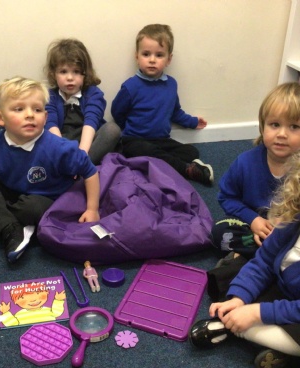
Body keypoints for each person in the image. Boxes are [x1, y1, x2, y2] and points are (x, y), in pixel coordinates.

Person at [0, 76, 100, 263]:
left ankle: (0, 220)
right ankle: (9, 225)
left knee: (32, 208)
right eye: (19, 109)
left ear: (45, 117)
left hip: (46, 199)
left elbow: (90, 172)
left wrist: (92, 209)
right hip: (13, 192)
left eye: (37, 109)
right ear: (0, 118)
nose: (30, 115)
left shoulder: (58, 148)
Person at [189, 152, 300, 368]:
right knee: (232, 276)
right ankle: (255, 331)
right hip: (287, 288)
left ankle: (238, 329)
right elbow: (264, 261)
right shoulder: (292, 221)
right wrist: (239, 298)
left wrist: (257, 313)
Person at [209, 83, 300, 291]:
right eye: (275, 124)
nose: (282, 134)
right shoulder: (245, 162)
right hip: (254, 228)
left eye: (294, 127)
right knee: (219, 232)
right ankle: (269, 263)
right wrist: (253, 220)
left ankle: (247, 262)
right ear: (262, 126)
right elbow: (226, 198)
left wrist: (286, 227)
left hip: (289, 233)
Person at [111, 23, 213, 186]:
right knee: (141, 150)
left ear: (168, 59)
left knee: (191, 151)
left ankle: (157, 164)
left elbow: (175, 111)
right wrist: (127, 129)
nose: (152, 60)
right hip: (135, 140)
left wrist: (192, 121)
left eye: (159, 55)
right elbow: (117, 112)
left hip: (161, 140)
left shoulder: (171, 85)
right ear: (137, 57)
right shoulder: (130, 86)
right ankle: (187, 170)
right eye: (146, 54)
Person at [44, 38, 121, 165]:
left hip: (88, 147)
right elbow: (51, 124)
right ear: (53, 74)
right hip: (62, 146)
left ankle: (81, 168)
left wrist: (81, 156)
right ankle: (69, 167)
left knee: (112, 130)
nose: (70, 78)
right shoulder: (50, 96)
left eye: (76, 72)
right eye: (63, 72)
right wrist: (63, 153)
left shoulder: (93, 94)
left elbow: (91, 121)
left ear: (85, 73)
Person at [0, 285, 66, 327]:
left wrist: (58, 300)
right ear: (16, 302)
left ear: (46, 294)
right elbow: (12, 324)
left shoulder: (47, 310)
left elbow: (57, 313)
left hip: (51, 329)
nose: (33, 300)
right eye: (23, 298)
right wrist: (5, 313)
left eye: (38, 294)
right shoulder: (20, 314)